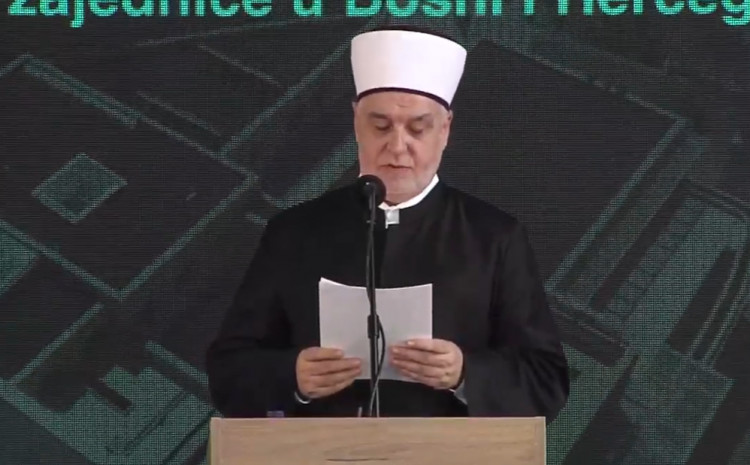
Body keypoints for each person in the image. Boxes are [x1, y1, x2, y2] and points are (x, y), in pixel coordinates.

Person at [206, 26, 569, 420]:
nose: (397, 147)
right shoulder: (293, 232)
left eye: (418, 128)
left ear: (445, 129)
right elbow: (228, 372)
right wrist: (292, 376)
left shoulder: (495, 238)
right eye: (380, 127)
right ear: (356, 122)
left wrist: (465, 374)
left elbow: (547, 382)